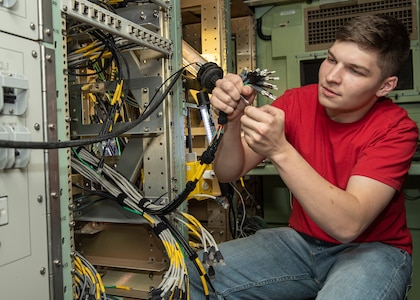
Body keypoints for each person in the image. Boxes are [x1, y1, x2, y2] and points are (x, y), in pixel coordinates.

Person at [188, 14, 418, 299]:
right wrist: (234, 121)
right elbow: (227, 172)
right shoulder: (297, 101)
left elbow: (348, 225)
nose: (332, 77)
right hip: (301, 243)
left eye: (355, 71)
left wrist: (280, 149)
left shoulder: (396, 128)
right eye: (332, 60)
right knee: (195, 270)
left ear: (386, 86)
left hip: (374, 248)